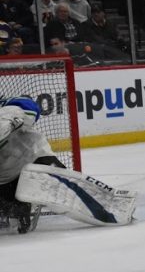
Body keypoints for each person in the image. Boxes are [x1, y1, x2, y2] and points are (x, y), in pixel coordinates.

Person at [0, 97, 136, 234]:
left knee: (66, 189)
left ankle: (113, 208)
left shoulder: (8, 109)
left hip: (36, 159)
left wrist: (9, 121)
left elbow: (30, 108)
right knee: (11, 214)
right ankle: (19, 206)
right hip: (6, 180)